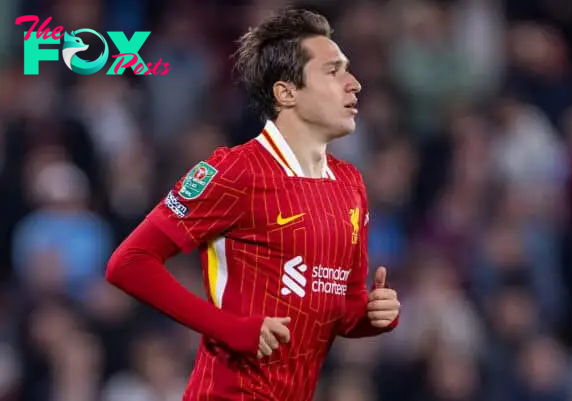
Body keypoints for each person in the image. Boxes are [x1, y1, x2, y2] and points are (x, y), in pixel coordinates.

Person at [106, 8, 400, 400]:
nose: (355, 83)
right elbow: (129, 262)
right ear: (286, 92)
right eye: (333, 71)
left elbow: (343, 308)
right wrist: (228, 328)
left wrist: (373, 316)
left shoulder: (350, 184)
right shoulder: (235, 171)